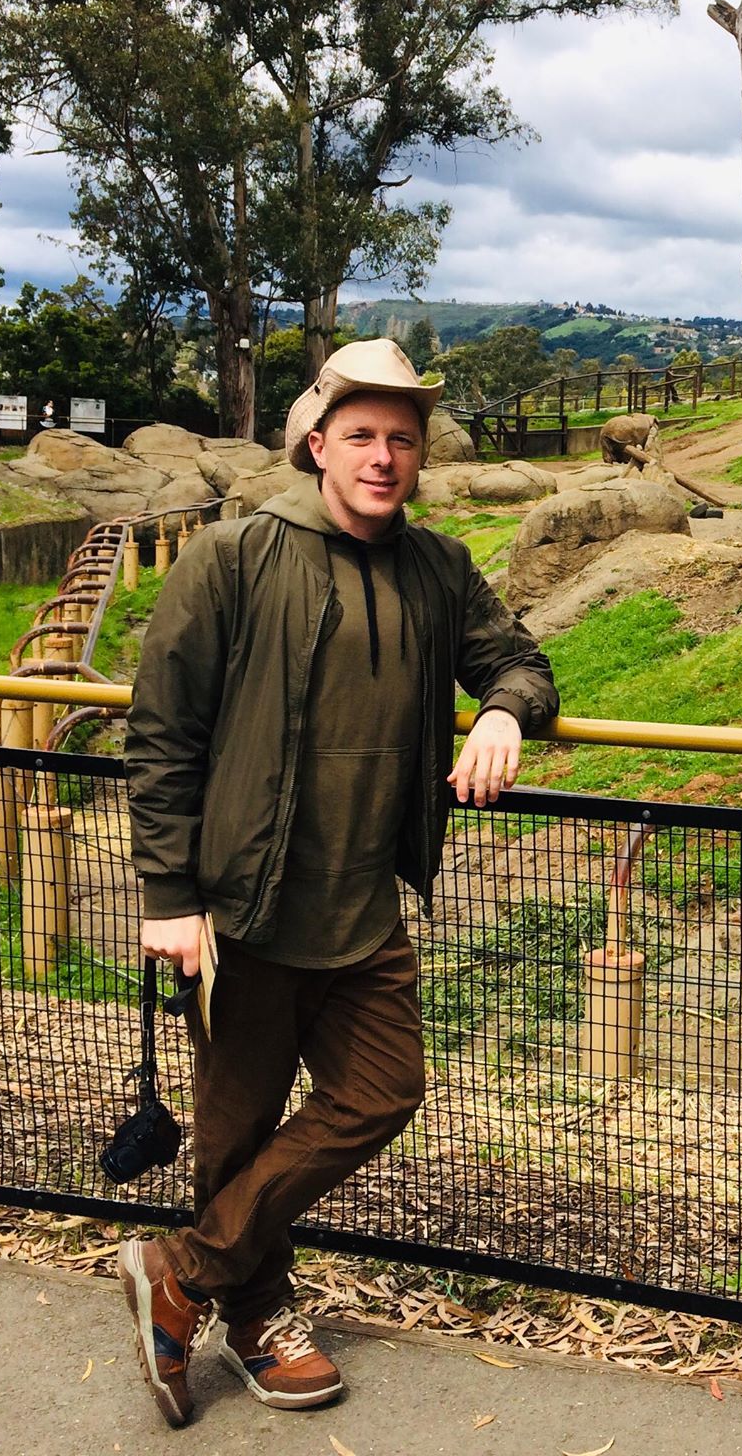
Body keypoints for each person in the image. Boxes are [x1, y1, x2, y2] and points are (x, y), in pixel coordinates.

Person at [120, 338, 558, 1427]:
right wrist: (169, 896)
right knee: (232, 1136)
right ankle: (256, 1321)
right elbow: (162, 732)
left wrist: (503, 710)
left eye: (401, 440)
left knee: (381, 1093)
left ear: (420, 458)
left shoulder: (437, 568)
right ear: (318, 444)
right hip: (245, 908)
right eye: (361, 435)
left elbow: (520, 659)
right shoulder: (230, 559)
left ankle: (179, 1268)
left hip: (364, 913)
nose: (382, 456)